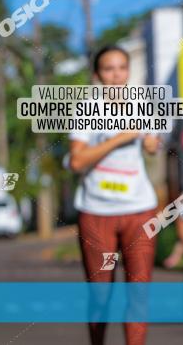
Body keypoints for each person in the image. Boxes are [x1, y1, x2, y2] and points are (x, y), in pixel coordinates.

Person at [67, 45, 162, 345]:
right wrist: (120, 138)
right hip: (97, 212)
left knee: (139, 292)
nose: (116, 75)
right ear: (97, 75)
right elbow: (77, 161)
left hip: (140, 209)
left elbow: (152, 142)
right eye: (109, 69)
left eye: (122, 67)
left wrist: (150, 142)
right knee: (100, 295)